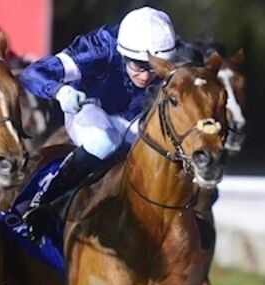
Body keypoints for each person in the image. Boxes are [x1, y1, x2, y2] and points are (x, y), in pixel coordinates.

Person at [18, 6, 201, 240]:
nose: (146, 76)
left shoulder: (176, 53)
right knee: (104, 140)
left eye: (153, 67)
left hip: (139, 121)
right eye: (138, 65)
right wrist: (60, 92)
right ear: (123, 53)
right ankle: (41, 203)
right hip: (91, 109)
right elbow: (32, 73)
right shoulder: (99, 47)